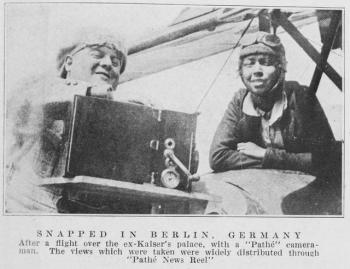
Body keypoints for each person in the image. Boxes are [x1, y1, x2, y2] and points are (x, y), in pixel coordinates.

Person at [5, 28, 130, 213]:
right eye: (97, 55)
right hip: (23, 209)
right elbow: (26, 99)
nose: (107, 64)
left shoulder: (114, 119)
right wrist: (90, 91)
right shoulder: (41, 88)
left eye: (115, 62)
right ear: (69, 63)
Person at [209, 31, 335, 175]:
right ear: (241, 71)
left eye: (265, 63)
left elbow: (327, 159)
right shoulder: (240, 101)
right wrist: (280, 161)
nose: (256, 71)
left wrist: (266, 155)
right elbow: (218, 157)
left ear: (280, 68)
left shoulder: (301, 97)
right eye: (249, 64)